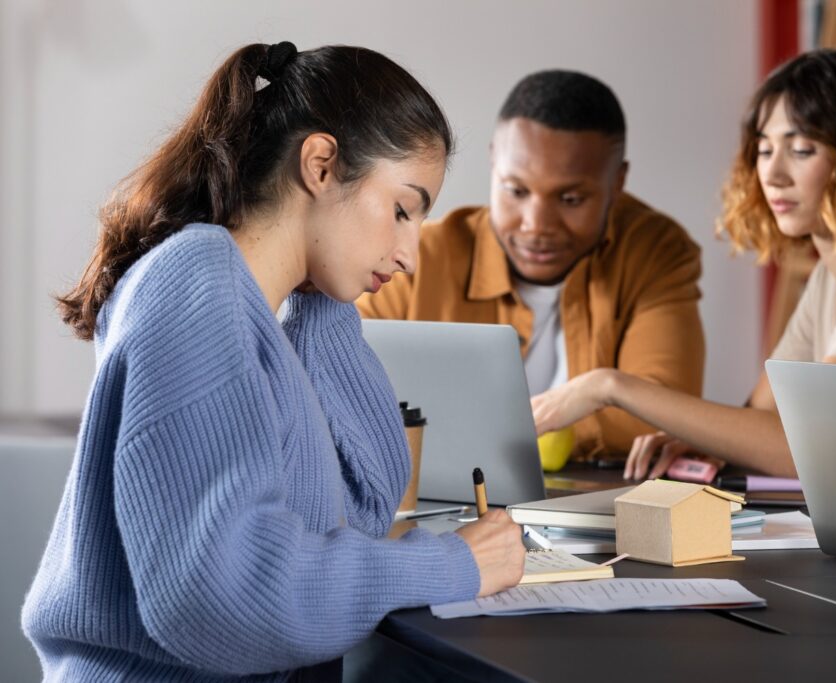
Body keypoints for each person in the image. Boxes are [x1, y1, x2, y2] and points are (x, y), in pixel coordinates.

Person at [21, 42, 524, 681]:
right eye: (401, 210)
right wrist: (454, 565)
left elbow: (365, 509)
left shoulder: (268, 313)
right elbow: (225, 596)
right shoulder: (195, 284)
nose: (408, 256)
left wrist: (322, 304)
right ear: (320, 164)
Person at [531, 47, 836, 502]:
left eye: (802, 149)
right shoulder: (829, 277)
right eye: (764, 149)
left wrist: (608, 385)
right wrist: (702, 439)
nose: (773, 173)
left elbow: (814, 447)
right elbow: (764, 418)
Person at [356, 69, 704, 462]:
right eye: (516, 190)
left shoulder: (655, 251)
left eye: (570, 199)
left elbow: (669, 414)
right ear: (494, 163)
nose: (536, 224)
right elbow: (345, 393)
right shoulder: (420, 257)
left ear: (617, 182)